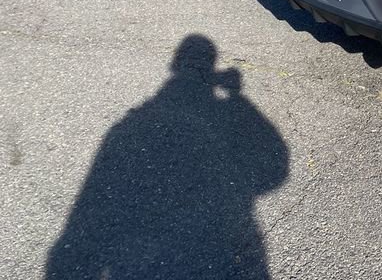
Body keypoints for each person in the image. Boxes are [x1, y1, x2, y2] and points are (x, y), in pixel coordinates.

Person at [45, 35, 289, 279]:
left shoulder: (128, 127)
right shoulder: (132, 126)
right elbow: (275, 171)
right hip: (219, 242)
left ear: (175, 64)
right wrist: (236, 96)